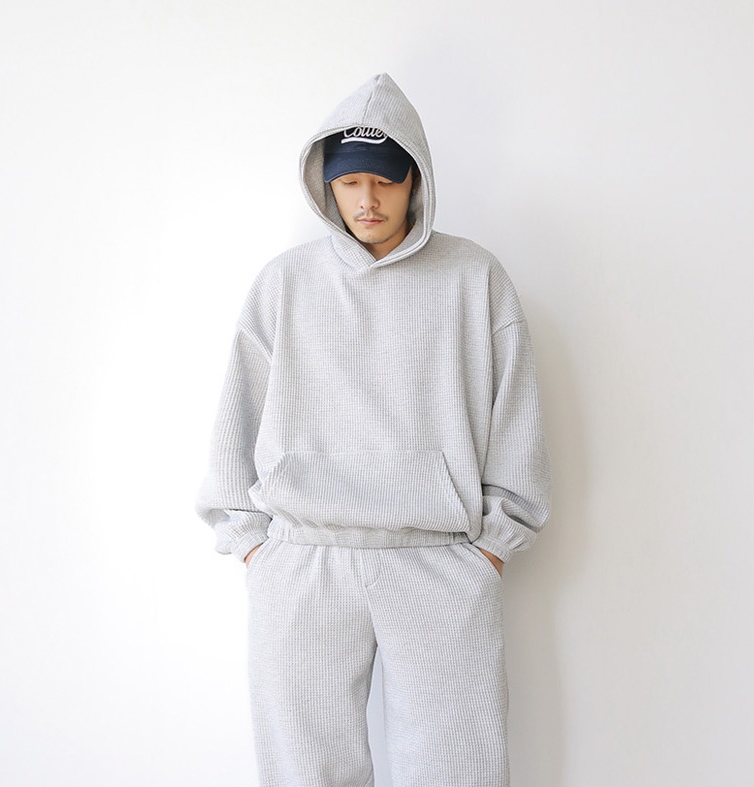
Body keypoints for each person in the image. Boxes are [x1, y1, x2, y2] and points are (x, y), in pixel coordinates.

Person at [196, 73, 552, 787]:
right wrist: (254, 545)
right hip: (304, 560)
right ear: (325, 184)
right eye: (350, 181)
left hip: (439, 559)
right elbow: (239, 414)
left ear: (415, 181)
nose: (367, 200)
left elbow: (515, 411)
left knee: (457, 770)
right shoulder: (284, 283)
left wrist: (493, 546)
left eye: (385, 181)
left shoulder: (473, 277)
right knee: (306, 772)